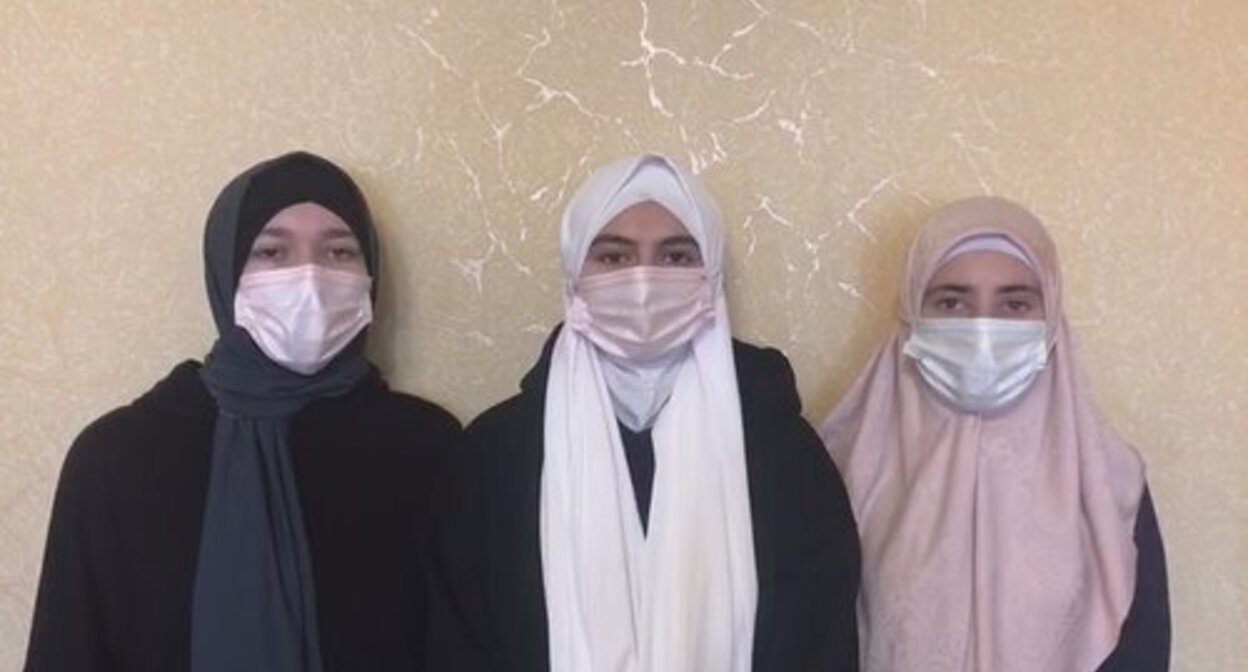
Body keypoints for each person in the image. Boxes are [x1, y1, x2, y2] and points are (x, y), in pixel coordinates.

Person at [25, 151, 461, 671]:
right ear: (225, 271)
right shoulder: (121, 458)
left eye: (340, 252)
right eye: (272, 252)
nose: (309, 277)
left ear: (371, 274)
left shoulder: (425, 449)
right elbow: (70, 651)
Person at [428, 153, 860, 671]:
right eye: (613, 258)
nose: (643, 282)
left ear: (712, 274)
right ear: (574, 273)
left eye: (676, 257)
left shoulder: (784, 453)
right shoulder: (497, 453)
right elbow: (461, 641)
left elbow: (822, 640)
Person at [818, 196, 1170, 672]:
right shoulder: (840, 466)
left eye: (1014, 304)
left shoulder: (1108, 484)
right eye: (952, 301)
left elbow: (1141, 650)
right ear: (911, 311)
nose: (982, 327)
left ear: (1050, 320)